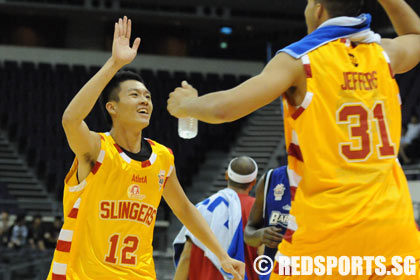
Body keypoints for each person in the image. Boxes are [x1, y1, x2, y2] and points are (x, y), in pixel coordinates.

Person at [167, 0, 420, 278]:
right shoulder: (384, 53)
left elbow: (224, 108)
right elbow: (416, 36)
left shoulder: (301, 59)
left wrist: (186, 105)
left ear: (319, 9)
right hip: (394, 229)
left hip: (327, 232)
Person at [47, 16, 244, 280]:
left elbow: (185, 209)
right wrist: (115, 64)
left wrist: (221, 254)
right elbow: (70, 120)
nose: (145, 101)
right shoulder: (97, 149)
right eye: (135, 95)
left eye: (148, 96)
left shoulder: (162, 158)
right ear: (112, 107)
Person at [173, 156, 259, 280]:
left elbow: (186, 255)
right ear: (254, 182)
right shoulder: (258, 211)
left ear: (226, 176)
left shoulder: (202, 208)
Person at [244, 166, 291, 279]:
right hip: (274, 270)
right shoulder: (270, 178)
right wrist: (260, 235)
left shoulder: (330, 181)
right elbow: (249, 231)